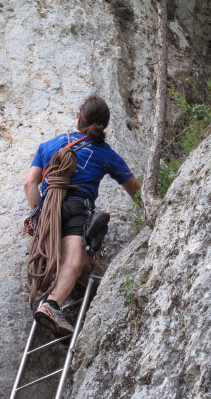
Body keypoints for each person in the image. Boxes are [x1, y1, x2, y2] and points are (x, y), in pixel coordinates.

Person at [24, 95, 140, 337]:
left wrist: (37, 219)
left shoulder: (48, 146)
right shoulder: (106, 154)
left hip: (49, 212)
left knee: (82, 261)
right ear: (104, 126)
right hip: (77, 208)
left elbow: (30, 184)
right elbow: (135, 191)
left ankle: (91, 273)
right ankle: (52, 305)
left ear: (78, 119)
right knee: (74, 261)